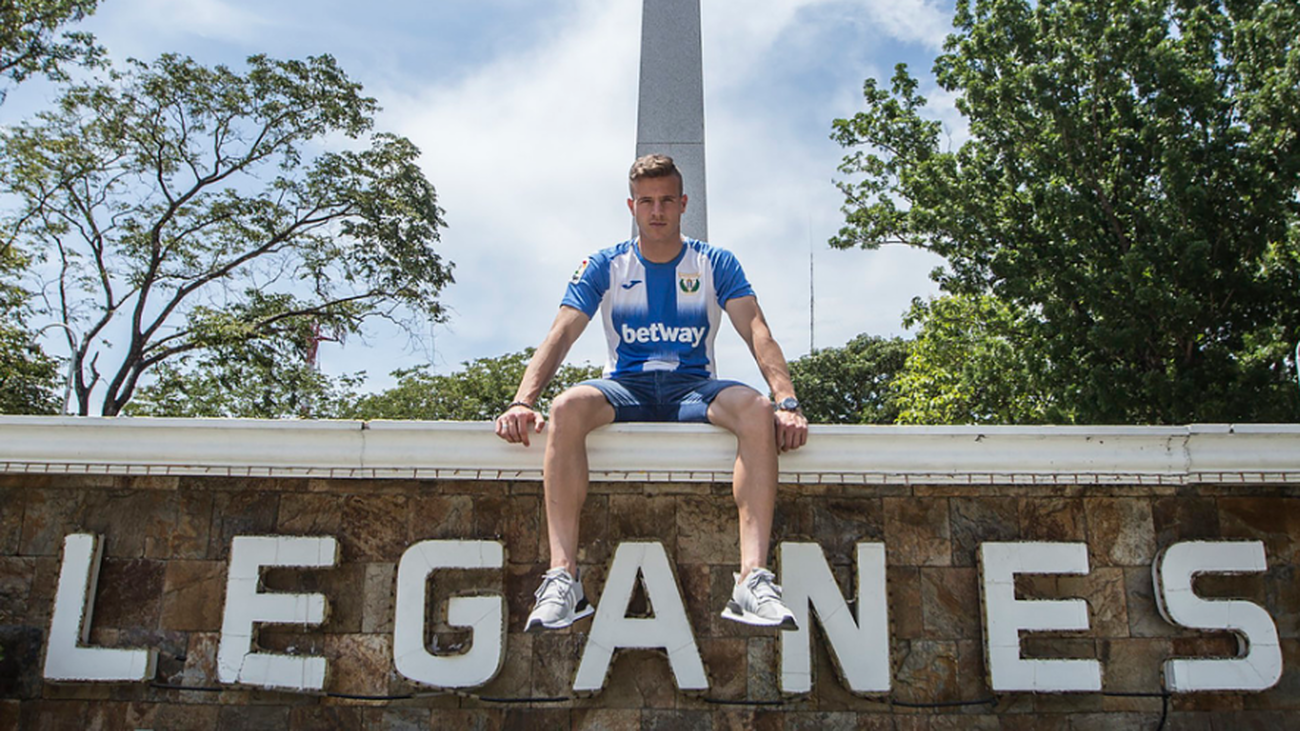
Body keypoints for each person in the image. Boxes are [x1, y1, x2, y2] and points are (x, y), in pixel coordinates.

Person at [495, 154, 808, 633]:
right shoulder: (605, 264)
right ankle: (563, 578)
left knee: (757, 409)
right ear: (632, 206)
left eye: (666, 201)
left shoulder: (714, 263)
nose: (656, 211)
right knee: (566, 408)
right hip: (627, 386)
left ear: (683, 204)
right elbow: (561, 332)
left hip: (692, 387)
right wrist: (523, 400)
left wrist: (786, 401)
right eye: (646, 202)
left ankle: (751, 579)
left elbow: (757, 330)